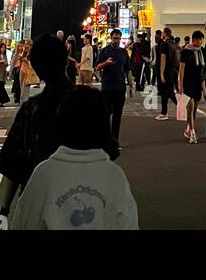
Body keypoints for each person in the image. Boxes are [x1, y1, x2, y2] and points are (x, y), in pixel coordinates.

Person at [10, 87, 139, 230]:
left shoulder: (44, 174)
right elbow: (128, 224)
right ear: (104, 128)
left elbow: (23, 222)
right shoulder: (114, 176)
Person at [0, 36, 74, 220]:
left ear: (37, 69)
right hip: (84, 198)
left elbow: (13, 163)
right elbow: (108, 152)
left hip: (36, 200)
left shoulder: (31, 110)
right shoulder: (91, 103)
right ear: (65, 62)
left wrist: (4, 210)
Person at [95, 28, 131, 157]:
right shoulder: (104, 51)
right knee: (105, 114)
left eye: (118, 38)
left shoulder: (123, 52)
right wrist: (106, 63)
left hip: (120, 88)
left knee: (117, 115)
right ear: (111, 38)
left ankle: (115, 140)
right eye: (114, 38)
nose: (116, 41)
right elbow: (97, 67)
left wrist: (131, 85)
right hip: (107, 88)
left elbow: (128, 70)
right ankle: (105, 140)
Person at [178, 30, 206, 144]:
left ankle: (189, 128)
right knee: (190, 107)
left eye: (202, 40)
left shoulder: (202, 51)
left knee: (194, 110)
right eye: (200, 40)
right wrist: (180, 85)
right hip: (187, 82)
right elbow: (181, 69)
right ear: (194, 40)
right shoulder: (185, 51)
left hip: (198, 83)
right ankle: (193, 132)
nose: (201, 42)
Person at [156, 28, 179, 119]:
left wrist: (161, 73)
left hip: (166, 71)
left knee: (165, 92)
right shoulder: (173, 44)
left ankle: (164, 113)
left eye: (162, 32)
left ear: (165, 33)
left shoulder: (164, 44)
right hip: (173, 71)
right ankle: (178, 107)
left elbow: (163, 59)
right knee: (169, 92)